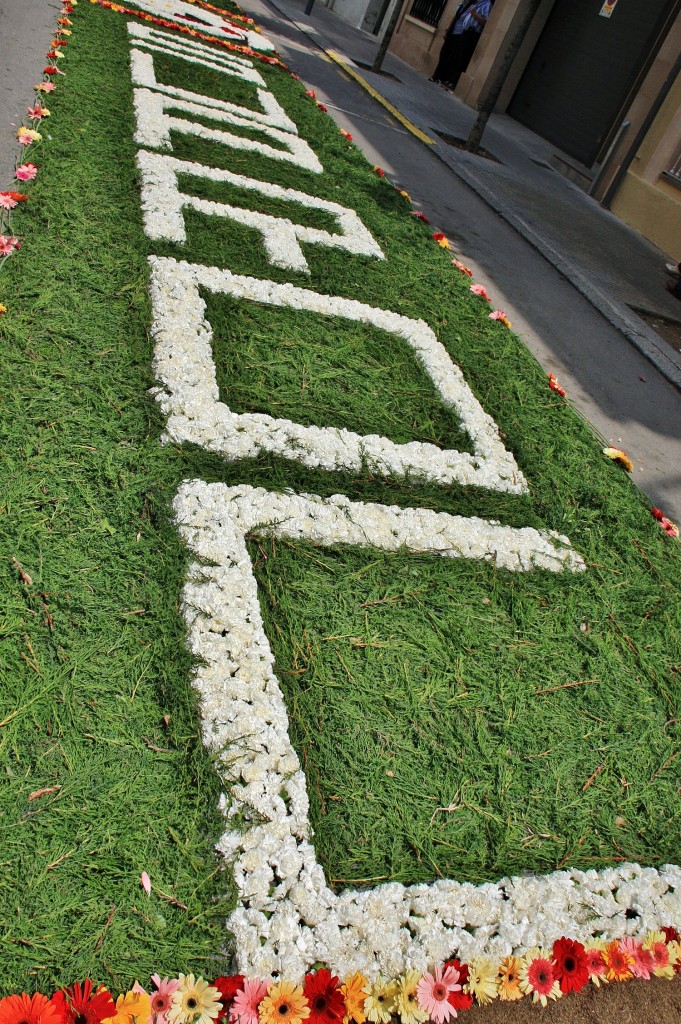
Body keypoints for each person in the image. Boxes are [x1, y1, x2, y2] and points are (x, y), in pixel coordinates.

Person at [429, 0, 494, 91]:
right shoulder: (474, 3)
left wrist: (473, 13)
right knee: (447, 53)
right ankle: (441, 77)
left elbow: (485, 21)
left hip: (469, 34)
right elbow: (456, 16)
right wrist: (448, 29)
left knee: (459, 58)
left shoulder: (486, 4)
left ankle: (452, 81)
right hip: (463, 32)